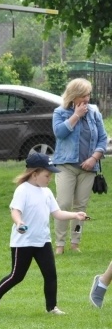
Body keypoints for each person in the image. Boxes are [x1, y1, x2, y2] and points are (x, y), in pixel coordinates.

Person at [0, 153, 86, 316]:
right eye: (47, 175)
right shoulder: (22, 190)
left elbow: (57, 213)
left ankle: (51, 308)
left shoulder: (47, 192)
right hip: (23, 242)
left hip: (42, 241)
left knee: (51, 275)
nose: (49, 178)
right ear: (35, 174)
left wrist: (75, 215)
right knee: (17, 276)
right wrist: (19, 222)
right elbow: (15, 211)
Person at [51, 77, 107, 254]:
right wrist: (76, 116)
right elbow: (59, 133)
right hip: (66, 166)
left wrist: (94, 158)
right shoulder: (60, 112)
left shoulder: (94, 113)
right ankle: (59, 244)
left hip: (88, 168)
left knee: (80, 208)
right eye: (83, 95)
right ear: (74, 96)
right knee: (64, 204)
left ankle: (75, 242)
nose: (87, 99)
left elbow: (103, 138)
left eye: (89, 95)